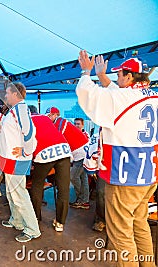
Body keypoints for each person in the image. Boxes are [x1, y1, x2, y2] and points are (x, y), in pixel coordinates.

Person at [77, 51, 157, 266]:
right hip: (149, 175)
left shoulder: (121, 98)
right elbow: (120, 98)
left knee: (121, 234)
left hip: (125, 176)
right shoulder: (152, 96)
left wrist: (87, 72)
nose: (117, 79)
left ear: (129, 77)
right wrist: (103, 78)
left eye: (119, 75)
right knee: (140, 224)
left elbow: (89, 95)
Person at [0, 82, 40, 243]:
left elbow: (29, 132)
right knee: (12, 193)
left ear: (15, 94)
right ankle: (16, 221)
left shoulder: (20, 109)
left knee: (19, 194)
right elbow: (10, 125)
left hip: (16, 160)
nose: (5, 96)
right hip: (11, 159)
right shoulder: (16, 110)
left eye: (7, 93)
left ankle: (32, 229)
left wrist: (26, 151)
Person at [29, 107, 72, 232]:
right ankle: (60, 223)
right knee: (63, 188)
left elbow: (28, 141)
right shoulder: (46, 118)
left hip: (44, 153)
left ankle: (36, 218)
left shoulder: (27, 120)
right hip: (64, 150)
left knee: (37, 185)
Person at [69, 117, 90, 209]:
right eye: (75, 124)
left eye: (78, 124)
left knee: (73, 177)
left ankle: (81, 199)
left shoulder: (85, 134)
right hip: (80, 158)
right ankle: (85, 201)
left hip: (81, 158)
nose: (76, 126)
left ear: (82, 125)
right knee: (83, 179)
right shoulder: (75, 133)